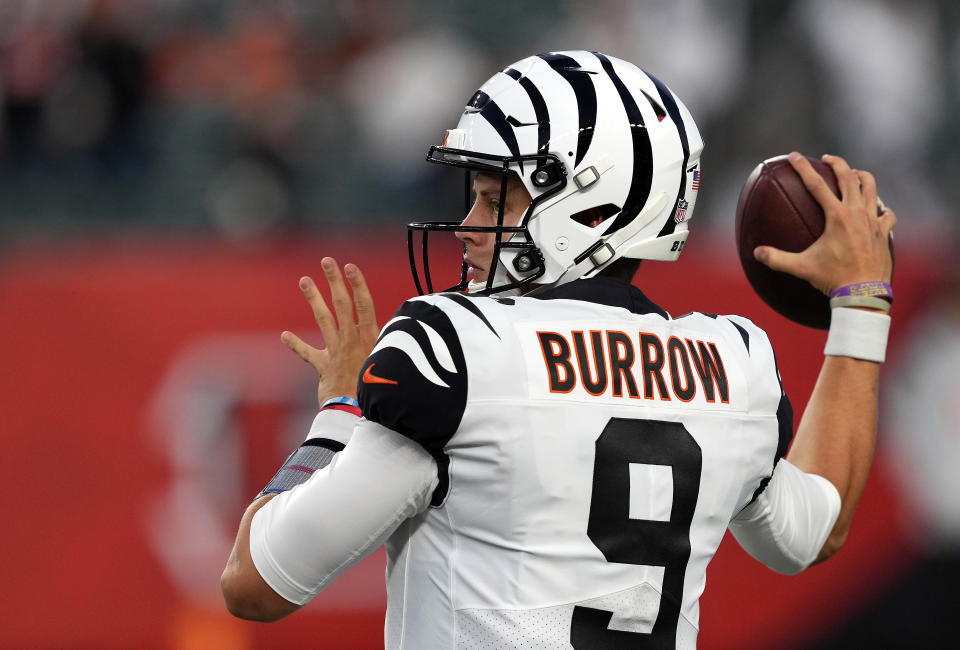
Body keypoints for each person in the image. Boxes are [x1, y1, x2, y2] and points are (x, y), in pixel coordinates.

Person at [220, 51, 896, 648]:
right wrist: (861, 303)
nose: (467, 226)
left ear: (592, 210)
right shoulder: (732, 363)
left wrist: (340, 413)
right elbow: (813, 530)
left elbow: (257, 584)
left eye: (494, 197)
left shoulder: (460, 353)